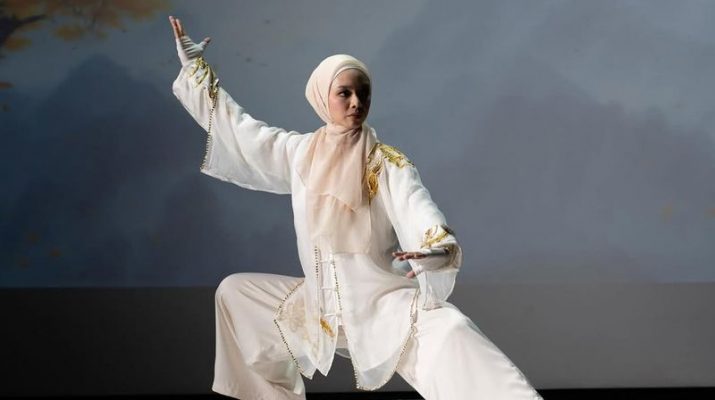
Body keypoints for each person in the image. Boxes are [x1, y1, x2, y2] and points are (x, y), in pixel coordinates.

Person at [169, 15, 543, 400]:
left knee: (452, 332)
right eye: (344, 93)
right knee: (235, 295)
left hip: (381, 306)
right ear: (322, 97)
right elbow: (241, 132)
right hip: (318, 308)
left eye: (363, 94)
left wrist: (435, 249)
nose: (356, 103)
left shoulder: (386, 164)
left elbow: (419, 209)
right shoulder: (300, 154)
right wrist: (195, 69)